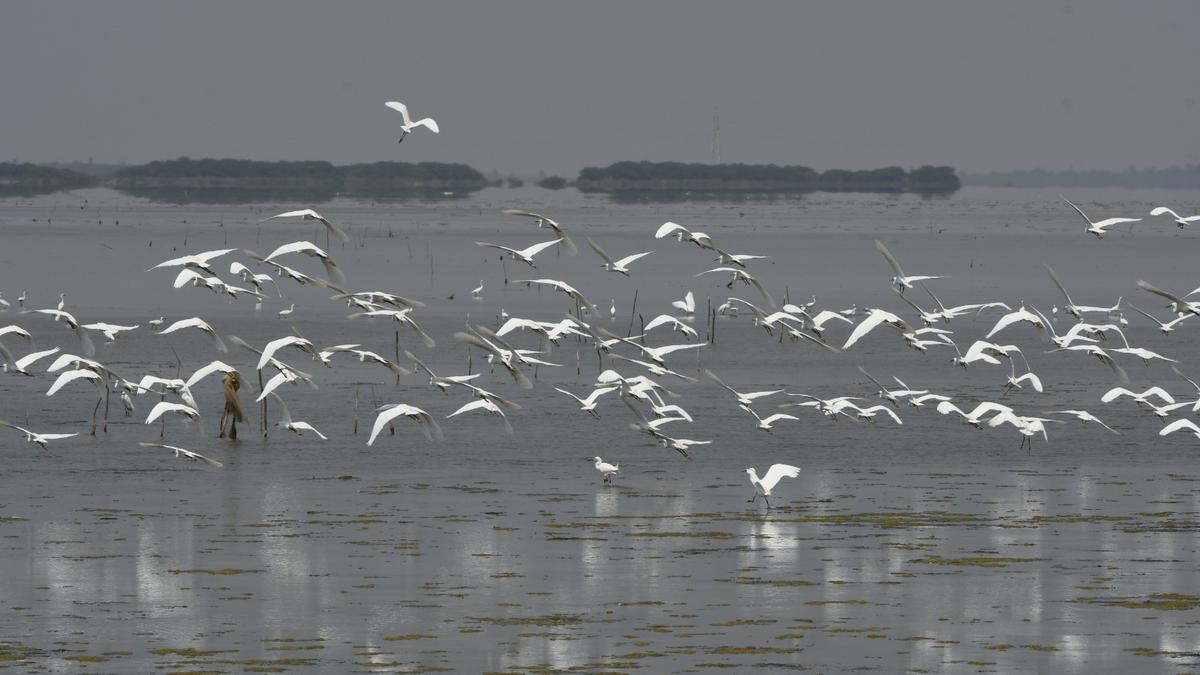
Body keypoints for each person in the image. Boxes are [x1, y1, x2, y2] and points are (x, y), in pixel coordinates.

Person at [220, 371, 246, 439]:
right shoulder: (232, 385)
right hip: (230, 400)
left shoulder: (231, 386)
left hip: (231, 400)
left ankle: (223, 433)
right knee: (228, 416)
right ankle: (223, 432)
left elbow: (224, 380)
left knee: (227, 416)